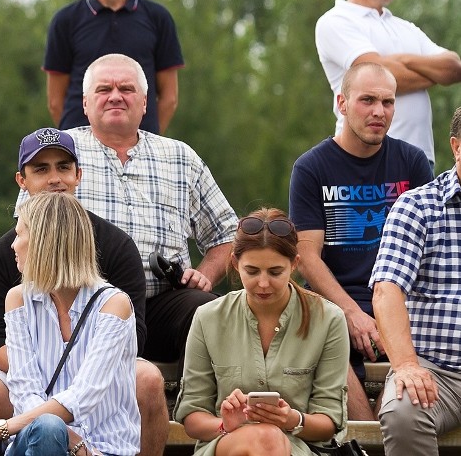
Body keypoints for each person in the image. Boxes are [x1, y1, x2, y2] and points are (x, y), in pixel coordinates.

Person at [0, 127, 169, 456]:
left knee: (147, 377)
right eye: (41, 168)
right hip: (37, 397)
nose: (54, 178)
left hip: (100, 378)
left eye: (63, 167)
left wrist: (1, 430)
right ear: (21, 180)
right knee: (39, 422)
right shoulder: (11, 276)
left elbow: (130, 337)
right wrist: (63, 427)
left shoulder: (116, 250)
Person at [50, 53, 237, 369]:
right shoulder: (60, 152)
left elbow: (228, 234)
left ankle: (207, 411)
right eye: (103, 89)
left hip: (162, 303)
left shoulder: (180, 157)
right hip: (81, 303)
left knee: (209, 310)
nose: (115, 96)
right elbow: (28, 230)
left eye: (126, 88)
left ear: (145, 102)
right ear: (84, 103)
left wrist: (204, 276)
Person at [289, 62, 432, 419]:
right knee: (327, 341)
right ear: (342, 102)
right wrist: (352, 313)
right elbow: (307, 257)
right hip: (336, 302)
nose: (379, 112)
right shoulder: (311, 167)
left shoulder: (411, 162)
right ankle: (366, 440)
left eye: (388, 102)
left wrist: (390, 315)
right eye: (367, 100)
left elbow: (428, 252)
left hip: (401, 298)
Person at [0, 192, 139, 456]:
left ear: (44, 243)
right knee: (47, 429)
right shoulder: (18, 299)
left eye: (20, 235)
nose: (13, 245)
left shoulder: (114, 304)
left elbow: (84, 395)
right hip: (39, 440)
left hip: (104, 448)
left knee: (48, 427)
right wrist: (69, 440)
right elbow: (24, 390)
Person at [175, 208, 349, 456]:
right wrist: (226, 424)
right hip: (226, 443)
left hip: (300, 447)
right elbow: (192, 415)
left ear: (295, 264)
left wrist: (291, 419)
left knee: (268, 439)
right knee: (265, 438)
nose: (263, 283)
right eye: (252, 271)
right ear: (235, 264)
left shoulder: (329, 319)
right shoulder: (207, 317)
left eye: (275, 272)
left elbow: (329, 422)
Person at [315, 0, 461, 165]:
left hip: (419, 160)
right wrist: (431, 73)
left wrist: (400, 60)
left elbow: (453, 68)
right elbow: (377, 82)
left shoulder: (405, 27)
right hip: (366, 159)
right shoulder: (335, 21)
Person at [369, 106, 461, 455]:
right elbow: (387, 291)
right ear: (456, 146)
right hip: (434, 370)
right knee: (403, 413)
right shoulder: (417, 206)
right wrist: (406, 365)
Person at [44, 0, 183, 134]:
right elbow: (55, 101)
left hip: (142, 150)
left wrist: (147, 141)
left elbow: (169, 97)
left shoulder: (158, 18)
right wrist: (80, 141)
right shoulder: (65, 21)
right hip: (80, 149)